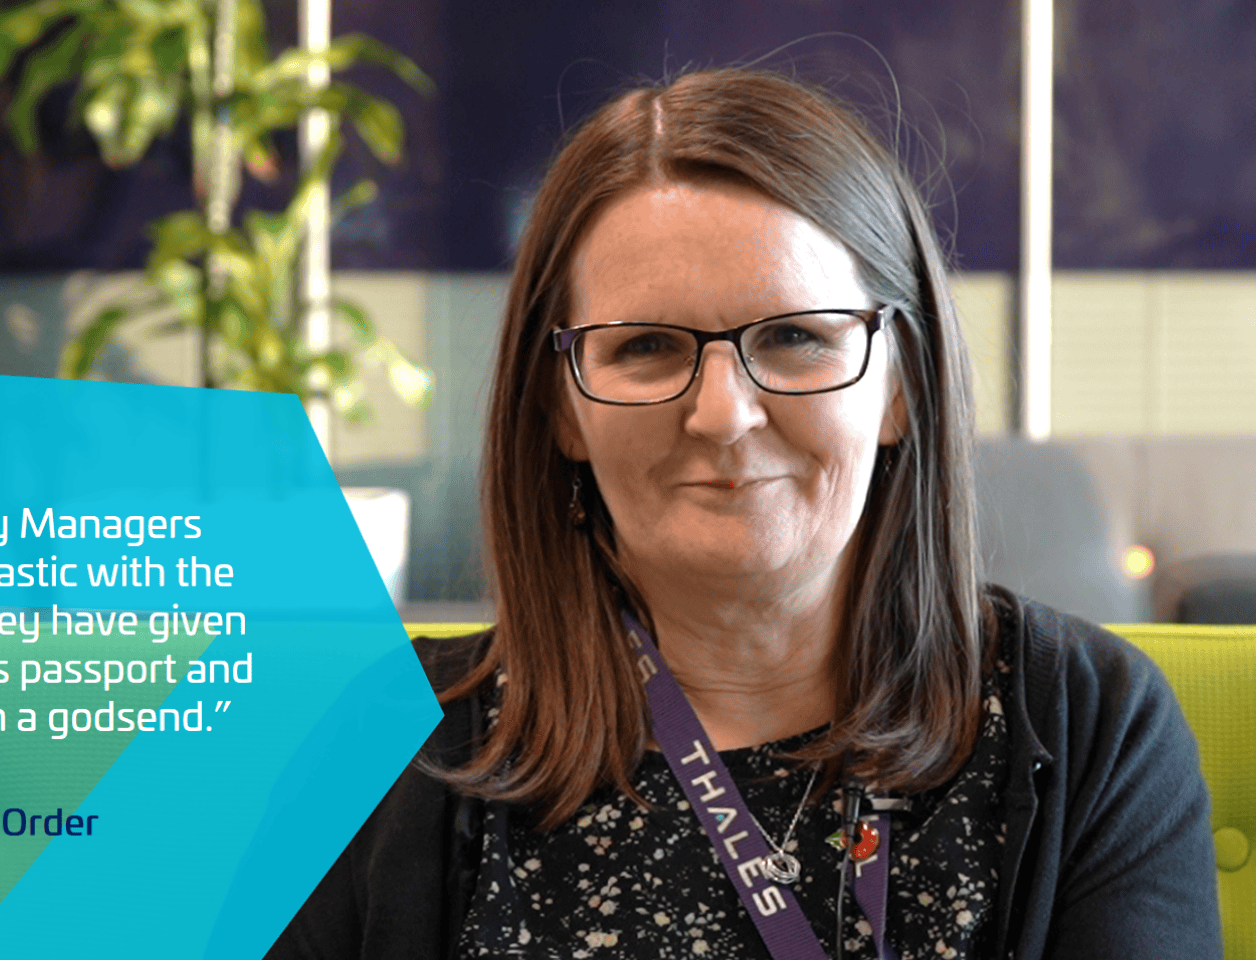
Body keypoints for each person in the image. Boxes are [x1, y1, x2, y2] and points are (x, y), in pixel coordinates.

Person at [267, 68, 1220, 960]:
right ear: (561, 407)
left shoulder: (1092, 727)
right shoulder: (375, 742)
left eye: (796, 336)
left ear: (900, 388)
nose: (723, 414)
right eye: (645, 346)